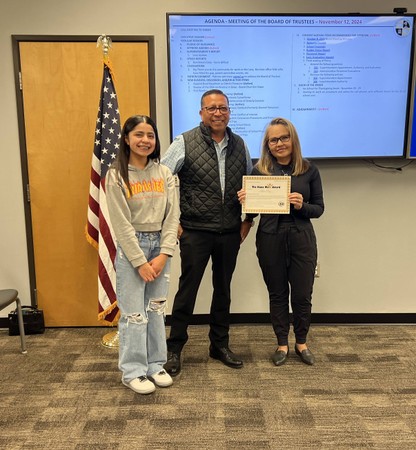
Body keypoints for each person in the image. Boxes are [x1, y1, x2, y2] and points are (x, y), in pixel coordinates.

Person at [161, 89, 253, 376]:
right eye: (211, 108)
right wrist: (172, 221)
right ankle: (174, 348)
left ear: (229, 112)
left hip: (229, 232)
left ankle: (219, 345)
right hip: (195, 231)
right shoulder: (184, 142)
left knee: (223, 290)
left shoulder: (240, 145)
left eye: (223, 108)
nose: (217, 113)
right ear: (201, 113)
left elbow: (249, 188)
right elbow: (161, 180)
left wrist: (247, 220)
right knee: (188, 290)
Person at [238, 117, 324, 366]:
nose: (279, 143)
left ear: (292, 139)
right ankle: (281, 344)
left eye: (284, 137)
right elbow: (251, 211)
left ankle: (301, 343)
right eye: (273, 139)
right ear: (267, 144)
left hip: (301, 238)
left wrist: (301, 205)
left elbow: (319, 209)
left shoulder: (309, 170)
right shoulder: (259, 171)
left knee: (302, 294)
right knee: (277, 293)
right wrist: (246, 200)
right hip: (269, 237)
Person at [106, 115, 179, 394]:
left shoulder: (165, 174)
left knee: (156, 309)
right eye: (139, 134)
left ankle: (154, 364)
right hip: (132, 247)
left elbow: (173, 217)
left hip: (160, 245)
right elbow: (121, 224)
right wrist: (139, 262)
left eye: (150, 135)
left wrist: (163, 254)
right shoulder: (116, 175)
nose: (145, 140)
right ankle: (133, 370)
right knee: (134, 313)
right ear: (126, 139)